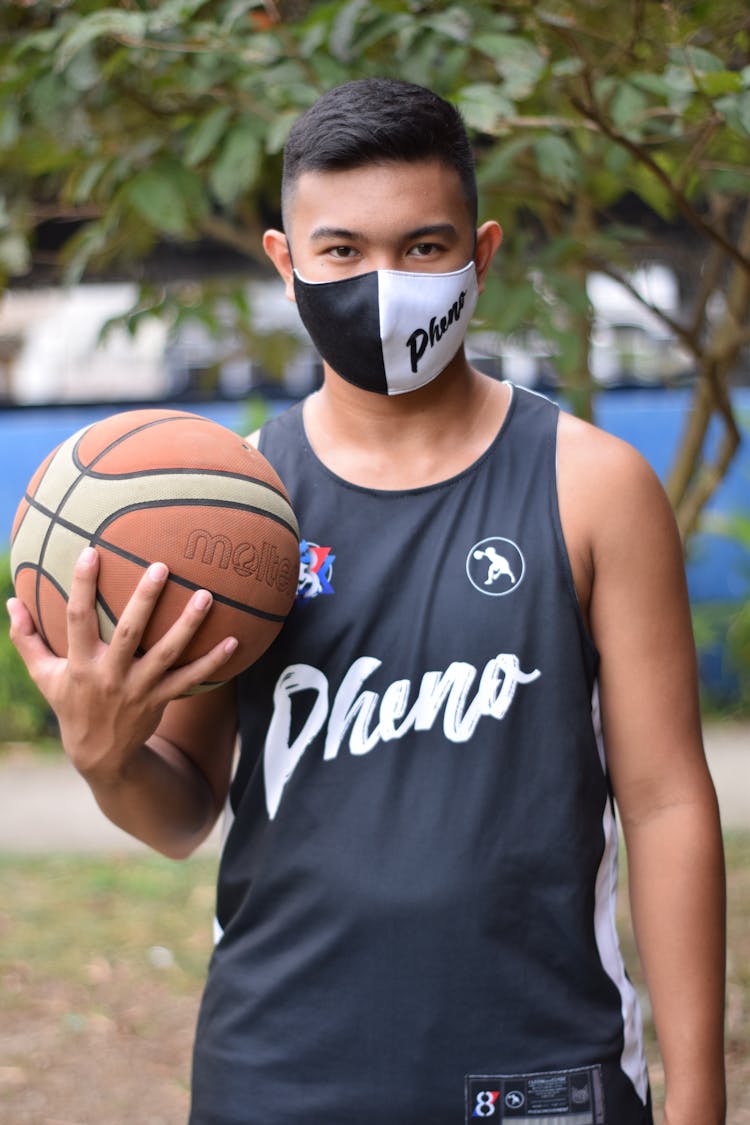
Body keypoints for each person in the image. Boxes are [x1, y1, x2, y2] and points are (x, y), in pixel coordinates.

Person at [7, 78, 726, 1125]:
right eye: (342, 251)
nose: (383, 285)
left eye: (422, 249)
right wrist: (105, 754)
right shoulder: (237, 514)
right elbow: (181, 811)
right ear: (286, 264)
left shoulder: (592, 486)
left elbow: (664, 803)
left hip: (539, 1070)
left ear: (479, 256)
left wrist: (698, 1097)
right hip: (278, 1071)